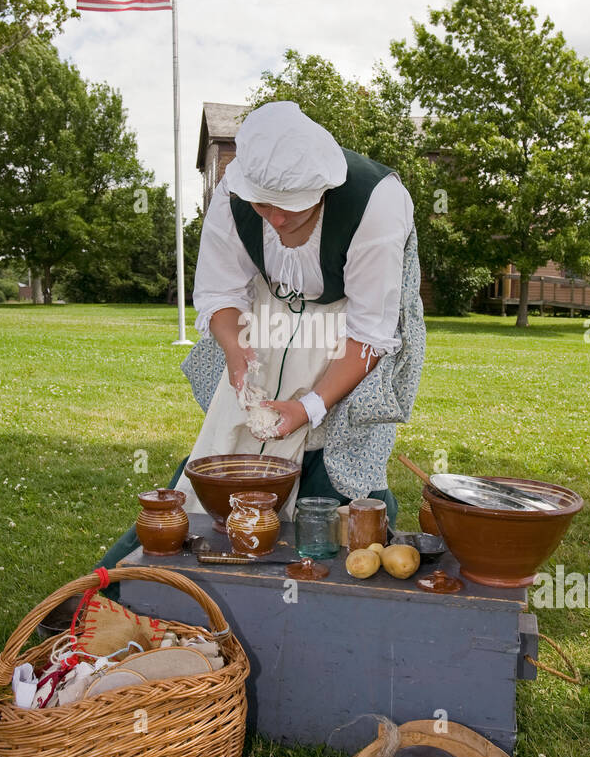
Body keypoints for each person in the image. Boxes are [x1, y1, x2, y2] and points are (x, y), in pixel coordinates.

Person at [98, 100, 425, 572]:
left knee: (346, 476)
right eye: (262, 204)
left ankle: (338, 568)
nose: (272, 218)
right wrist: (235, 351)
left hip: (349, 329)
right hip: (266, 319)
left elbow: (370, 332)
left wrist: (308, 407)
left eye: (287, 207)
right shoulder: (233, 195)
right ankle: (123, 582)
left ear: (322, 187)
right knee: (223, 456)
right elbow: (221, 291)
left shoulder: (376, 202)